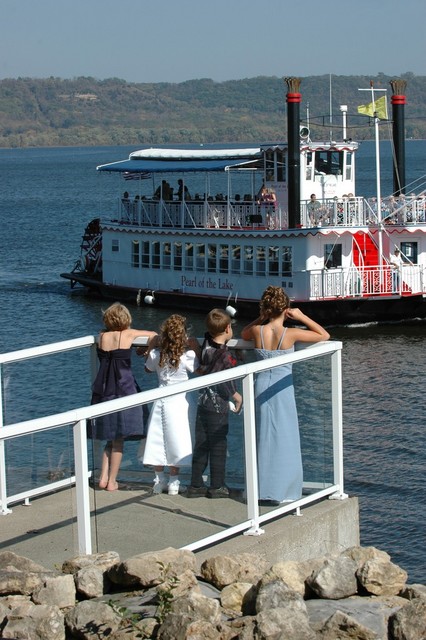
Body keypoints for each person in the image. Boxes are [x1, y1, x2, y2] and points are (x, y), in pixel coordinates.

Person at [241, 286, 330, 506]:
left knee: (262, 437)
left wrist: (260, 318)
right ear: (285, 309)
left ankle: (261, 488)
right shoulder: (290, 334)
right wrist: (301, 316)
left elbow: (243, 333)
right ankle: (282, 489)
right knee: (285, 437)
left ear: (266, 309)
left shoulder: (257, 331)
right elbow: (324, 335)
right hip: (282, 388)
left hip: (261, 385)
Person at [88, 303, 157, 491]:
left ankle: (102, 477)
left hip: (103, 388)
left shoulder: (102, 336)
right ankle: (112, 481)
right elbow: (154, 334)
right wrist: (146, 350)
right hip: (124, 387)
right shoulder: (128, 334)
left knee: (109, 436)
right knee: (119, 438)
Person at [187, 309, 242, 499]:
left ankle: (195, 484)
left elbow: (204, 365)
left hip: (203, 402)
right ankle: (217, 485)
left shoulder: (206, 345)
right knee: (218, 444)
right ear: (227, 328)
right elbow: (225, 381)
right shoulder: (224, 356)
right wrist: (236, 396)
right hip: (218, 405)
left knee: (201, 443)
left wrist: (196, 348)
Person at [142, 315, 199, 496]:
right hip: (180, 400)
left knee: (157, 436)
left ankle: (159, 480)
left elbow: (147, 368)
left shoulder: (156, 354)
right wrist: (196, 348)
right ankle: (174, 481)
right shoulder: (187, 356)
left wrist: (151, 346)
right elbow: (199, 369)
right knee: (178, 438)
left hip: (161, 397)